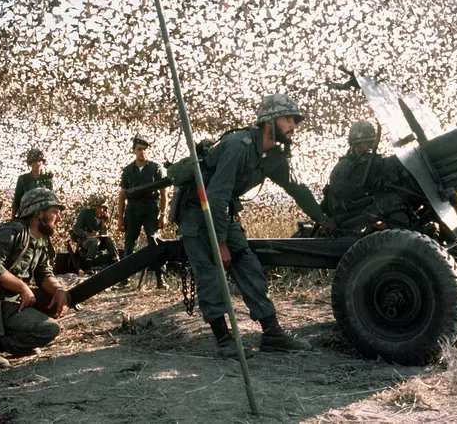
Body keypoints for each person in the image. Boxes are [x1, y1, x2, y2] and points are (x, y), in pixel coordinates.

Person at [175, 93, 333, 359]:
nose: (293, 125)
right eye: (287, 119)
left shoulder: (271, 156)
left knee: (248, 264)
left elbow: (298, 189)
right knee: (210, 273)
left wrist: (323, 219)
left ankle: (272, 334)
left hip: (219, 211)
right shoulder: (239, 145)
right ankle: (224, 341)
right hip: (197, 211)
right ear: (268, 122)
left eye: (295, 120)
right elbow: (217, 195)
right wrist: (221, 243)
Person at [0, 188, 69, 369]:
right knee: (49, 329)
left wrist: (59, 290)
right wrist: (22, 287)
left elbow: (44, 272)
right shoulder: (13, 232)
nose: (59, 219)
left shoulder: (41, 238)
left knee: (55, 301)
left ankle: (18, 340)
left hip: (12, 298)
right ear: (38, 213)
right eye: (55, 213)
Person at [118, 134, 167, 287]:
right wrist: (120, 217)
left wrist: (163, 214)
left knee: (156, 243)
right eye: (139, 149)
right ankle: (124, 278)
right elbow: (122, 194)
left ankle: (160, 279)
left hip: (151, 210)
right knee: (129, 244)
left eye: (145, 149)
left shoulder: (155, 168)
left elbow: (164, 193)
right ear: (133, 151)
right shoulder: (128, 170)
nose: (142, 152)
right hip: (133, 211)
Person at [321, 119, 384, 218]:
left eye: (367, 142)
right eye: (360, 144)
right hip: (349, 218)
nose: (364, 146)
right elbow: (346, 196)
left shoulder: (377, 162)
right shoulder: (344, 167)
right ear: (354, 145)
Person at [72, 194, 119, 267]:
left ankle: (115, 261)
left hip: (99, 241)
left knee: (110, 240)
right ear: (94, 207)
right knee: (95, 241)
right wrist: (87, 234)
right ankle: (88, 263)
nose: (101, 209)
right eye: (99, 207)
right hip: (85, 240)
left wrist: (104, 224)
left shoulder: (105, 218)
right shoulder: (85, 213)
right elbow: (76, 228)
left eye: (103, 207)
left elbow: (104, 234)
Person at [12, 148, 53, 218]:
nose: (37, 164)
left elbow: (51, 197)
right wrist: (13, 216)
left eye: (39, 161)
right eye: (34, 162)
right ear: (30, 164)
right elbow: (17, 200)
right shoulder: (23, 179)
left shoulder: (47, 178)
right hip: (27, 213)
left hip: (43, 213)